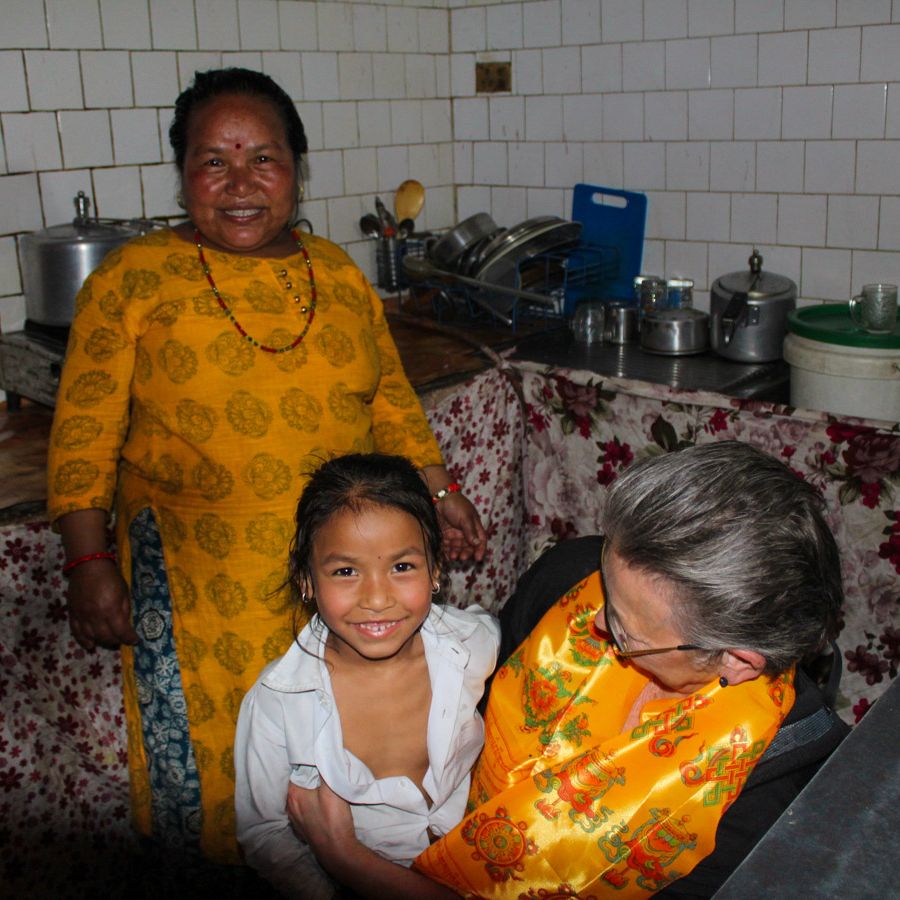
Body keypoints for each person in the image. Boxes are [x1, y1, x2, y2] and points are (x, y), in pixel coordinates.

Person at [46, 67, 486, 866]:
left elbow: (389, 400)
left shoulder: (338, 274)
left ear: (296, 168)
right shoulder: (131, 281)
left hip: (344, 574)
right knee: (212, 776)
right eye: (213, 161)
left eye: (263, 159)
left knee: (337, 752)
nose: (239, 183)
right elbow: (82, 436)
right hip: (199, 586)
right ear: (183, 174)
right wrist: (88, 562)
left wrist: (442, 490)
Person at [287, 441, 849, 897]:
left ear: (737, 660)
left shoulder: (772, 800)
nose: (595, 621)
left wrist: (349, 861)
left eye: (627, 632)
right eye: (607, 585)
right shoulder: (573, 575)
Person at [234, 453, 500, 898]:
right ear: (306, 580)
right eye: (345, 572)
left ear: (435, 568)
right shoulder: (278, 701)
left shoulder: (475, 645)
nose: (376, 599)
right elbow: (265, 835)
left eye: (402, 567)